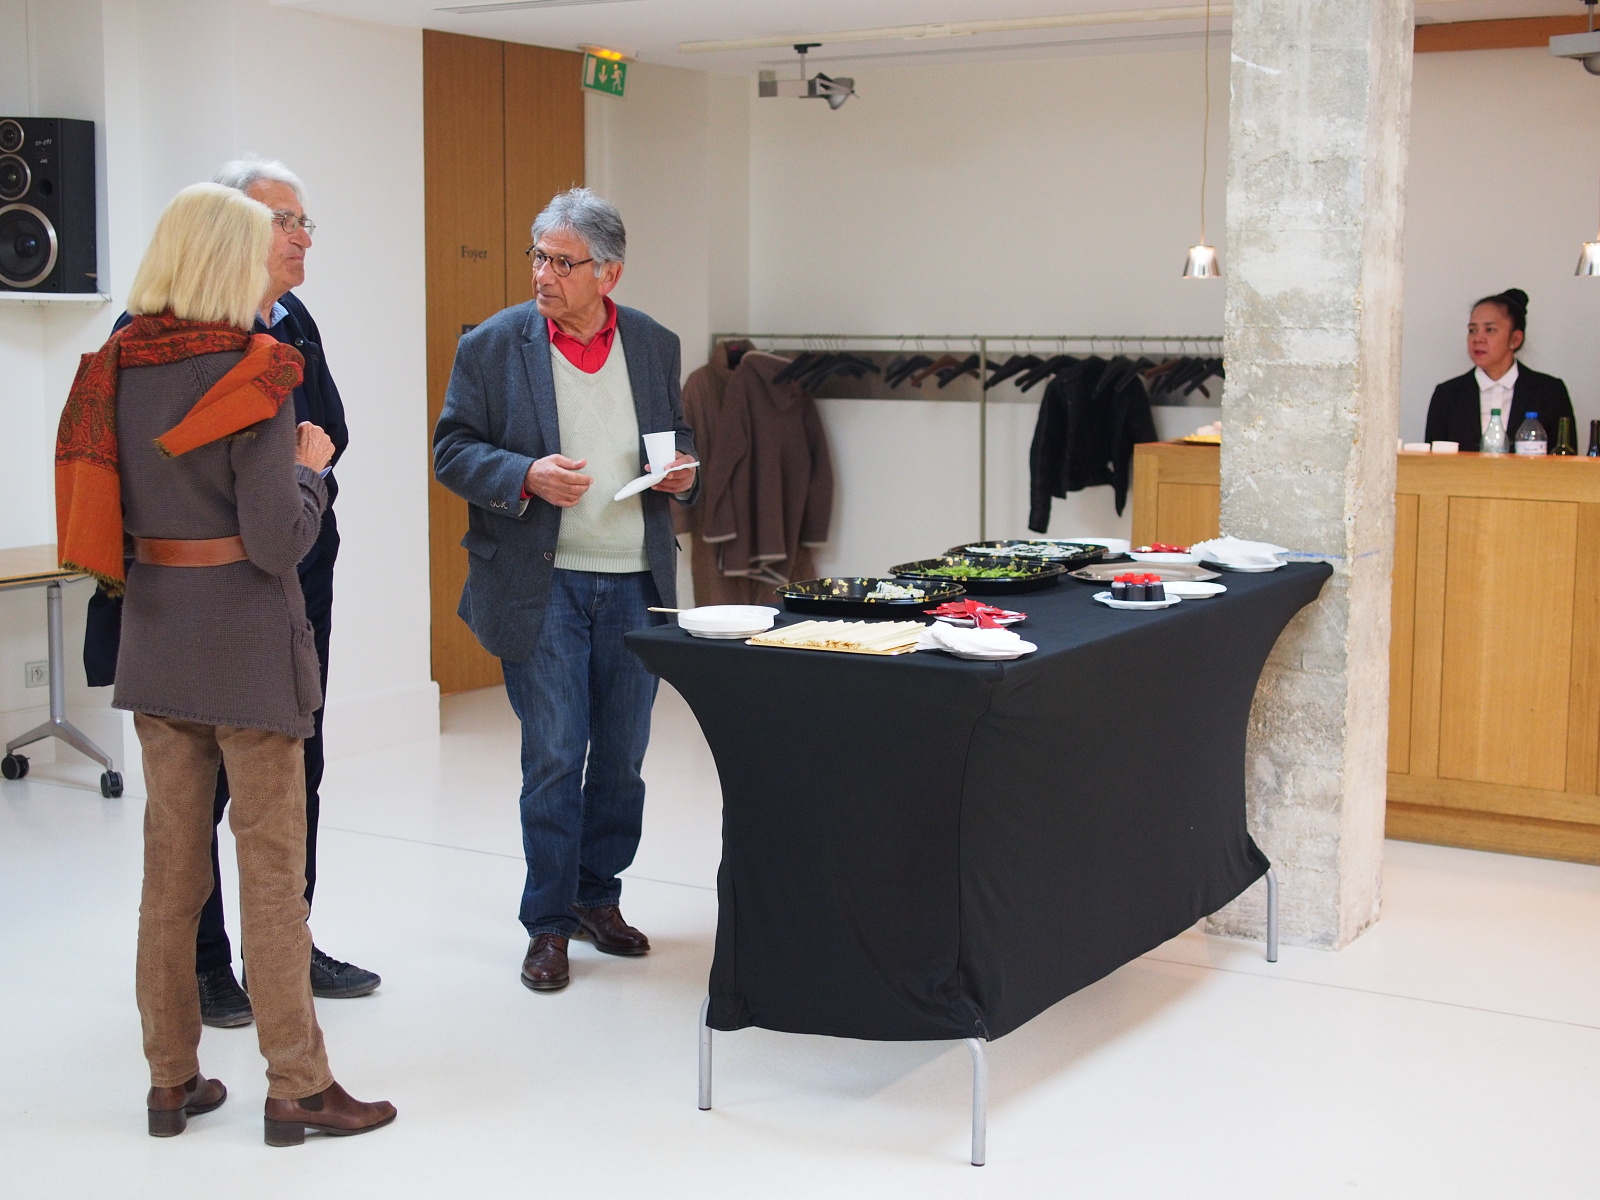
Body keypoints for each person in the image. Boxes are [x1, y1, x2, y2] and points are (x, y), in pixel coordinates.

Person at [54, 182, 393, 1143]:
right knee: (271, 874)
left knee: (170, 879)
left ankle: (171, 1082)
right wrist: (310, 469)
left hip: (157, 640)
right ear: (227, 262)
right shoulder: (258, 372)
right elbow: (278, 540)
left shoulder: (115, 365)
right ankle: (298, 1086)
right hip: (248, 652)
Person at [433, 188, 697, 992]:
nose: (543, 274)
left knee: (621, 758)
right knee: (554, 754)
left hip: (635, 582)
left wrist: (681, 472)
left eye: (562, 262)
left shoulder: (652, 343)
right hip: (539, 584)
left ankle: (596, 897)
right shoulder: (492, 345)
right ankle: (546, 924)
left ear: (608, 273)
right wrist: (525, 474)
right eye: (538, 257)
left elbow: (676, 440)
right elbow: (452, 451)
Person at [1424, 288, 1574, 451]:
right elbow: (1432, 461)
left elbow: (1566, 457)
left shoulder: (1550, 392)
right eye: (1472, 330)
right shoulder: (1447, 394)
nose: (1477, 339)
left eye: (1489, 330)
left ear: (1515, 339)